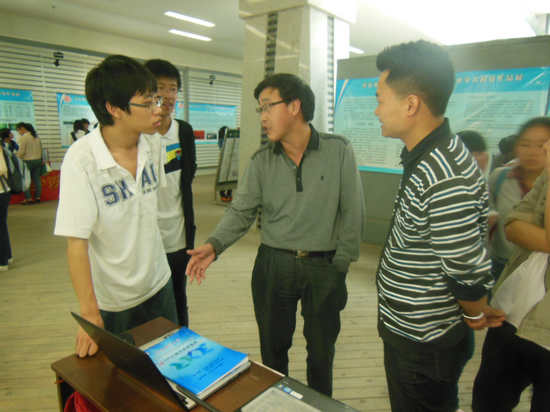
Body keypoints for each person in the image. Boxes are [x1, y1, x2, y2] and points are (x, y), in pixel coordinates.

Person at [186, 73, 364, 396]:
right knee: (273, 352)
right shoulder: (261, 161)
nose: (263, 117)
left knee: (321, 353)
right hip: (273, 266)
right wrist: (214, 245)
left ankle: (320, 405)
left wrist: (341, 264)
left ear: (295, 106)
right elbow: (241, 211)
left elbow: (353, 210)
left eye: (268, 106)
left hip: (324, 267)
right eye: (260, 109)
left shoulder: (338, 150)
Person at [373, 40, 505, 412]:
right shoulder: (428, 156)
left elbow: (464, 267)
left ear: (411, 104)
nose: (376, 110)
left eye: (381, 99)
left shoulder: (445, 173)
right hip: (411, 327)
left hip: (424, 340)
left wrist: (474, 311)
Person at [54, 55, 177, 358]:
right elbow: (76, 243)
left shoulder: (153, 144)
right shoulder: (81, 160)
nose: (157, 109)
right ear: (114, 108)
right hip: (115, 299)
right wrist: (89, 314)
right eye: (147, 103)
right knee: (123, 377)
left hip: (159, 283)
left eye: (156, 100)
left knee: (169, 365)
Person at [472, 140, 550, 412]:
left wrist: (539, 235)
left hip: (545, 329)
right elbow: (514, 226)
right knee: (488, 402)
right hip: (512, 312)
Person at [144, 58, 197, 327]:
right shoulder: (139, 134)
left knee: (178, 295)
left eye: (173, 88)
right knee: (148, 301)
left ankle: (182, 341)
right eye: (159, 88)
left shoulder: (183, 131)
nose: (167, 95)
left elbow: (189, 174)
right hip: (145, 235)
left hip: (177, 232)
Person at [488, 117, 550, 281]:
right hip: (502, 267)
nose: (532, 152)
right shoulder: (499, 178)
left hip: (542, 274)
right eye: (525, 144)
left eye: (541, 145)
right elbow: (511, 229)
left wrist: (523, 229)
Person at [15, 122, 41, 204]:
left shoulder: (24, 138)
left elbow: (21, 151)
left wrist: (16, 156)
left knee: (25, 179)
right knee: (37, 179)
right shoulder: (36, 136)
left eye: (18, 130)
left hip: (28, 161)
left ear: (22, 129)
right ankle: (38, 197)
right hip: (38, 160)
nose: (18, 132)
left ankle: (28, 198)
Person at [0, 145, 13, 271]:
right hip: (3, 191)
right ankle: (7, 256)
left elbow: (2, 168)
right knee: (2, 226)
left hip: (1, 192)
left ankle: (2, 261)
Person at [217, 125, 232, 202]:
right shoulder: (221, 141)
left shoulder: (221, 141)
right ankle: (225, 194)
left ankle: (226, 194)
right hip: (226, 161)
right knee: (225, 177)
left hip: (226, 161)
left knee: (227, 177)